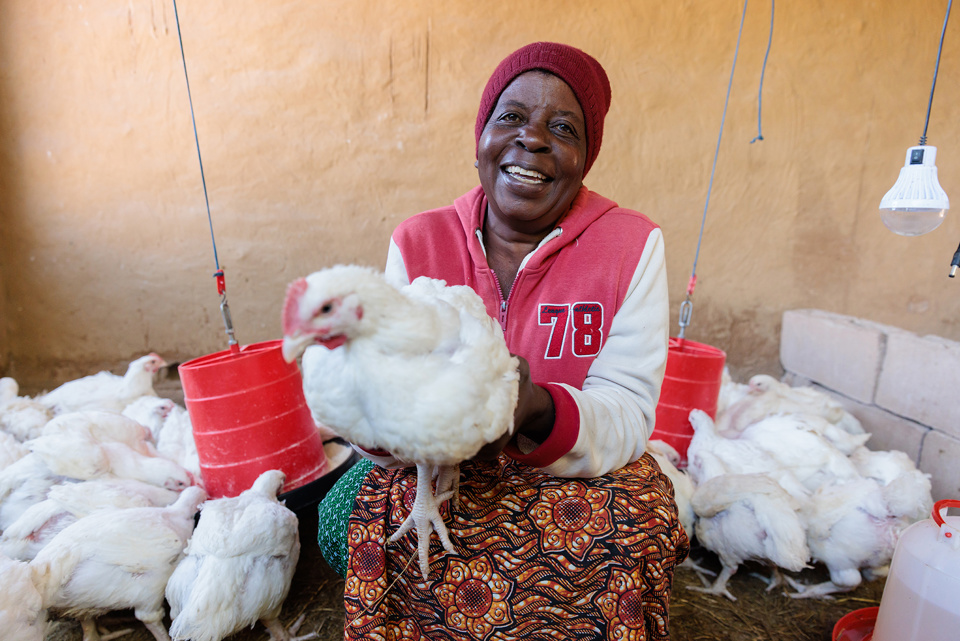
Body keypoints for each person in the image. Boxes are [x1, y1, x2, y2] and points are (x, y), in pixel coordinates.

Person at [317, 41, 689, 640]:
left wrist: (534, 409)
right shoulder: (419, 241)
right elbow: (381, 382)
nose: (532, 140)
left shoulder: (631, 245)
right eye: (511, 117)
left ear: (585, 157)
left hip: (560, 468)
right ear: (481, 137)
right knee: (344, 519)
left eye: (562, 128)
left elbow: (626, 408)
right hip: (434, 466)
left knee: (640, 519)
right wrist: (387, 421)